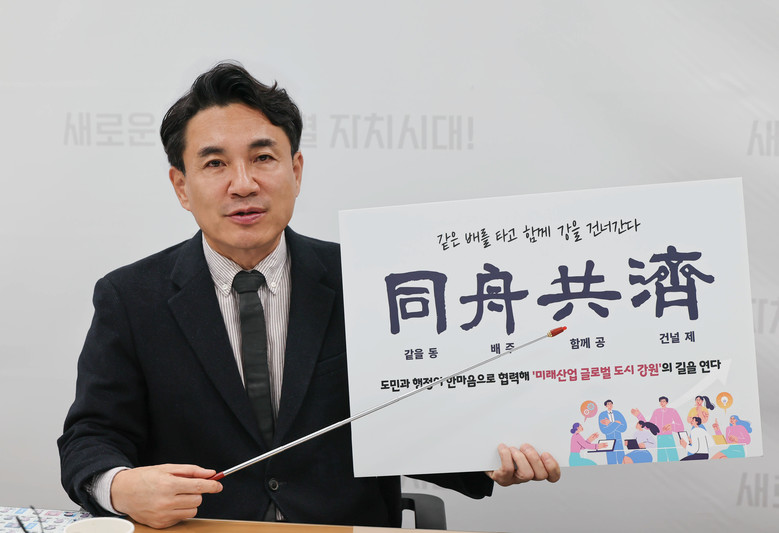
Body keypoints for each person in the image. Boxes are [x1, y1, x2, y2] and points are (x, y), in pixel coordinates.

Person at [57, 62, 560, 530]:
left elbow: (414, 418)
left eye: (263, 158)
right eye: (214, 163)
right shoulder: (130, 298)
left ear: (296, 170)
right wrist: (119, 487)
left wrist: (488, 457)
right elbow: (91, 436)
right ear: (181, 186)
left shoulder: (371, 280)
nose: (243, 184)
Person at [631, 395, 684, 462]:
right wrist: (639, 415)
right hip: (660, 438)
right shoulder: (656, 411)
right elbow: (649, 426)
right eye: (660, 401)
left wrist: (672, 426)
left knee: (673, 457)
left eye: (663, 401)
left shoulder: (672, 411)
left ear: (666, 402)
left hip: (669, 437)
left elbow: (681, 427)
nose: (662, 403)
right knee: (661, 459)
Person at [598, 399, 627, 464]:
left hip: (618, 440)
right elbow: (604, 430)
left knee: (621, 459)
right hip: (609, 440)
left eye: (611, 404)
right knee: (611, 460)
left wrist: (609, 424)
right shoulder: (602, 415)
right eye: (608, 404)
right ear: (606, 406)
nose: (610, 405)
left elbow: (624, 427)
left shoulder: (618, 413)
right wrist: (617, 423)